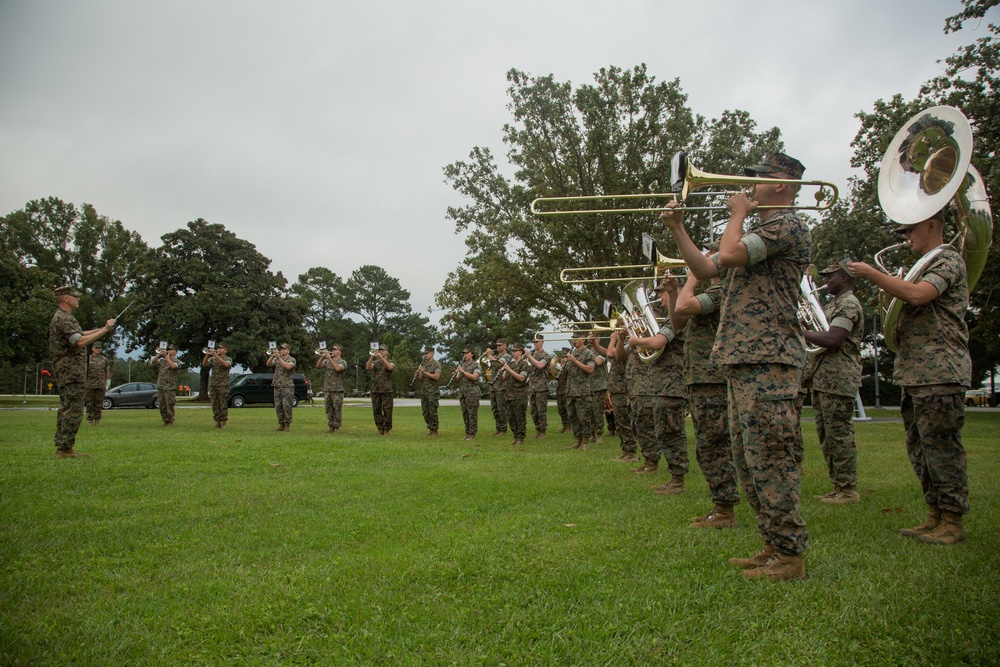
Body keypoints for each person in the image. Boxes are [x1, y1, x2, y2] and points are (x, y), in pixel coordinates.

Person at [663, 151, 811, 581]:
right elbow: (707, 267)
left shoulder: (786, 224)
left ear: (781, 185)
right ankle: (772, 545)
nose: (749, 186)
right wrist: (677, 228)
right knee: (750, 460)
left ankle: (790, 556)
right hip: (745, 360)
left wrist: (738, 215)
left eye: (758, 179)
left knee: (771, 457)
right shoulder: (763, 230)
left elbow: (725, 255)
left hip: (770, 358)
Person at [848, 212, 971, 545]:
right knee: (921, 449)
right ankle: (935, 516)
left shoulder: (948, 260)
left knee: (941, 448)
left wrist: (874, 275)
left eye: (910, 230)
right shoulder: (929, 264)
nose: (906, 237)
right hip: (917, 372)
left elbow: (918, 295)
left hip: (940, 372)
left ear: (931, 226)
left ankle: (952, 521)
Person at [673, 258, 740, 528]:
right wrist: (677, 288)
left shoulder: (721, 290)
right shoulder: (713, 292)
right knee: (708, 445)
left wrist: (691, 277)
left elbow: (684, 306)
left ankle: (725, 511)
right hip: (703, 380)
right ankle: (720, 507)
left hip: (712, 380)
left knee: (714, 446)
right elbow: (677, 320)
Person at [804, 260, 864, 504]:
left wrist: (799, 331)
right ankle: (839, 486)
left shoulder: (849, 304)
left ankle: (848, 490)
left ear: (845, 278)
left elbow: (832, 338)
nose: (826, 280)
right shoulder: (833, 304)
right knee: (826, 434)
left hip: (838, 378)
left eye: (831, 276)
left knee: (838, 434)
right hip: (823, 378)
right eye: (825, 275)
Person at [621, 279, 689, 494]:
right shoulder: (669, 321)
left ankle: (678, 480)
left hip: (671, 385)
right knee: (664, 432)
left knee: (672, 432)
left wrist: (636, 341)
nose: (659, 297)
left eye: (663, 293)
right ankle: (673, 477)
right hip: (661, 386)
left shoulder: (675, 322)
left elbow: (658, 343)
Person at [49, 286, 116, 457]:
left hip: (68, 372)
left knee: (67, 408)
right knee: (73, 410)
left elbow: (80, 333)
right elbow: (79, 341)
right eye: (75, 297)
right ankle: (65, 449)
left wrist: (101, 328)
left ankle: (63, 446)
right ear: (66, 299)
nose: (78, 299)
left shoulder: (65, 318)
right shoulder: (64, 319)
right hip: (70, 372)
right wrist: (105, 330)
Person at [603, 329, 638, 462]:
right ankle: (626, 451)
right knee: (619, 421)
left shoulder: (628, 343)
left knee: (624, 421)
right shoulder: (622, 344)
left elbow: (611, 353)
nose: (616, 330)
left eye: (620, 326)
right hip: (617, 388)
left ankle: (631, 452)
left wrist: (613, 338)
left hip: (624, 388)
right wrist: (594, 344)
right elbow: (606, 353)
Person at [564, 332, 596, 449]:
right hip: (571, 390)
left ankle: (586, 441)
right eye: (573, 339)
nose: (574, 341)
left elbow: (590, 369)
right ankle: (577, 440)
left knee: (584, 417)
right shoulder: (572, 353)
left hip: (582, 391)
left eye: (576, 338)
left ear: (583, 339)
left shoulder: (588, 353)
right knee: (572, 416)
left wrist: (575, 361)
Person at [501, 343, 531, 445]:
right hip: (509, 396)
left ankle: (521, 438)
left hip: (520, 395)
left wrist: (509, 370)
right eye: (512, 351)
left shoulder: (524, 364)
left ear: (520, 352)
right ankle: (515, 436)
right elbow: (503, 378)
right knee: (510, 417)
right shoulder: (511, 364)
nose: (512, 353)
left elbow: (522, 378)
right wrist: (501, 372)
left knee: (520, 417)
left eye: (515, 351)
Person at [525, 336, 552, 438]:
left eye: (536, 342)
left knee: (541, 411)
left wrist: (530, 357)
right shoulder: (533, 355)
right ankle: (538, 430)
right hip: (532, 387)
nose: (534, 344)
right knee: (533, 411)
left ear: (542, 342)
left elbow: (540, 365)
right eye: (534, 342)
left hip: (541, 387)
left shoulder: (545, 355)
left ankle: (543, 431)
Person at [316, 344, 347, 433]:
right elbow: (318, 366)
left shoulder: (343, 362)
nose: (333, 351)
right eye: (332, 349)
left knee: (337, 408)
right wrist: (322, 357)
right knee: (328, 408)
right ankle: (330, 426)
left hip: (337, 389)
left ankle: (336, 426)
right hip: (327, 388)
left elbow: (337, 369)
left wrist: (329, 358)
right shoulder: (327, 361)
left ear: (339, 352)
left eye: (335, 350)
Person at [266, 343, 296, 431]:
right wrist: (272, 356)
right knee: (278, 405)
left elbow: (288, 367)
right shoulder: (277, 359)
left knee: (286, 405)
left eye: (284, 349)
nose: (282, 350)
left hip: (287, 386)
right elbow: (268, 364)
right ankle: (281, 424)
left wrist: (279, 358)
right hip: (277, 385)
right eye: (281, 348)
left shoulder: (291, 359)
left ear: (288, 350)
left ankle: (287, 425)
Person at [366, 344, 395, 435]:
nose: (381, 351)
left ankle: (387, 429)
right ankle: (380, 428)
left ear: (387, 352)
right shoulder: (376, 363)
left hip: (386, 389)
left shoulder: (391, 361)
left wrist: (381, 358)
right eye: (380, 350)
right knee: (376, 409)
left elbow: (390, 367)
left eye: (383, 350)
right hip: (376, 389)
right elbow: (368, 367)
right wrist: (372, 356)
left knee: (387, 410)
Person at [203, 342, 233, 428]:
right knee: (215, 404)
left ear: (225, 350)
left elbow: (226, 365)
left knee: (223, 404)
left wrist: (216, 356)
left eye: (221, 348)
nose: (219, 349)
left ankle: (223, 423)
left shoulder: (228, 359)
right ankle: (217, 422)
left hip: (223, 385)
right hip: (213, 384)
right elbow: (204, 364)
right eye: (218, 348)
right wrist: (207, 355)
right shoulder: (212, 359)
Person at [484, 339, 511, 436]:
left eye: (500, 345)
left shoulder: (507, 356)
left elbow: (499, 364)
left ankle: (503, 429)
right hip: (493, 386)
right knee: (495, 408)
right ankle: (498, 428)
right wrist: (489, 357)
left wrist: (489, 355)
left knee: (502, 408)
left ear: (505, 346)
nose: (497, 347)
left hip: (501, 386)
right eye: (497, 345)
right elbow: (488, 366)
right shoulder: (494, 356)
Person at [455, 347, 482, 440]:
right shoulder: (462, 365)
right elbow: (458, 379)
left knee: (472, 413)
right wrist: (456, 374)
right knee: (465, 413)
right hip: (463, 392)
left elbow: (474, 377)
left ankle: (472, 434)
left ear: (472, 354)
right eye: (464, 354)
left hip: (472, 392)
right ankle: (467, 433)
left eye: (466, 353)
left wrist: (463, 372)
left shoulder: (476, 365)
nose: (465, 355)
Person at [587, 335, 609, 444]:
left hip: (599, 387)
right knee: (589, 412)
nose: (591, 338)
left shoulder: (602, 352)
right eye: (589, 336)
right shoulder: (587, 352)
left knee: (598, 412)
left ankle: (599, 434)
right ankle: (591, 434)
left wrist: (587, 354)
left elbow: (598, 362)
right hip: (588, 387)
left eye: (593, 336)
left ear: (598, 339)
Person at [416, 346, 442, 436]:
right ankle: (430, 428)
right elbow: (421, 378)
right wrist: (417, 375)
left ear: (432, 353)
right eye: (424, 354)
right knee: (425, 411)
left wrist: (424, 372)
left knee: (432, 410)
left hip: (432, 391)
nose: (425, 355)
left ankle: (435, 429)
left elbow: (436, 376)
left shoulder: (436, 364)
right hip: (424, 391)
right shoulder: (423, 364)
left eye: (427, 353)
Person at [151, 344, 180, 426]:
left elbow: (173, 366)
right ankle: (165, 420)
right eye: (169, 349)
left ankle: (171, 420)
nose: (169, 351)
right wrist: (159, 355)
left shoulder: (176, 361)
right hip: (161, 385)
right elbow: (153, 362)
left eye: (171, 349)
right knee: (161, 405)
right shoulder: (162, 360)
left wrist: (166, 357)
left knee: (169, 404)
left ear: (175, 352)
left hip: (170, 387)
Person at [85, 341, 110, 426]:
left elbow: (107, 371)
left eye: (99, 348)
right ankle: (90, 420)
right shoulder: (88, 359)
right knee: (90, 403)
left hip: (100, 384)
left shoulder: (104, 359)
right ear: (92, 348)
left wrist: (107, 383)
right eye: (96, 348)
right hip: (90, 384)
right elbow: (84, 371)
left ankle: (97, 420)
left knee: (99, 403)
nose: (97, 349)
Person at [555, 349, 571, 433]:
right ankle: (564, 425)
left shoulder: (569, 365)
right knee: (560, 408)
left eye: (564, 357)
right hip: (559, 389)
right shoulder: (559, 366)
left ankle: (569, 426)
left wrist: (564, 366)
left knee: (567, 408)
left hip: (566, 389)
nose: (562, 359)